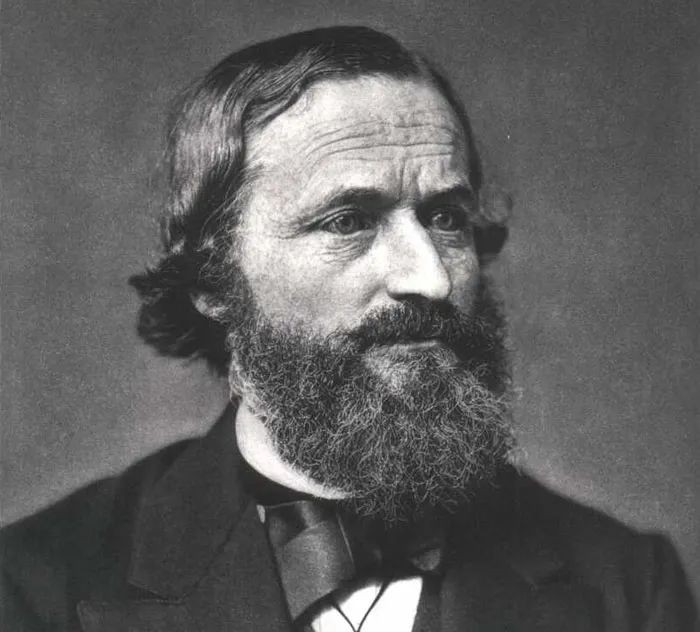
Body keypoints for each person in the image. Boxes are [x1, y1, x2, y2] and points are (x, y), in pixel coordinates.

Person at [1, 26, 697, 632]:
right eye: (348, 221)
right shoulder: (32, 590)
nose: (430, 277)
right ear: (214, 283)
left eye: (446, 217)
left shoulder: (629, 589)